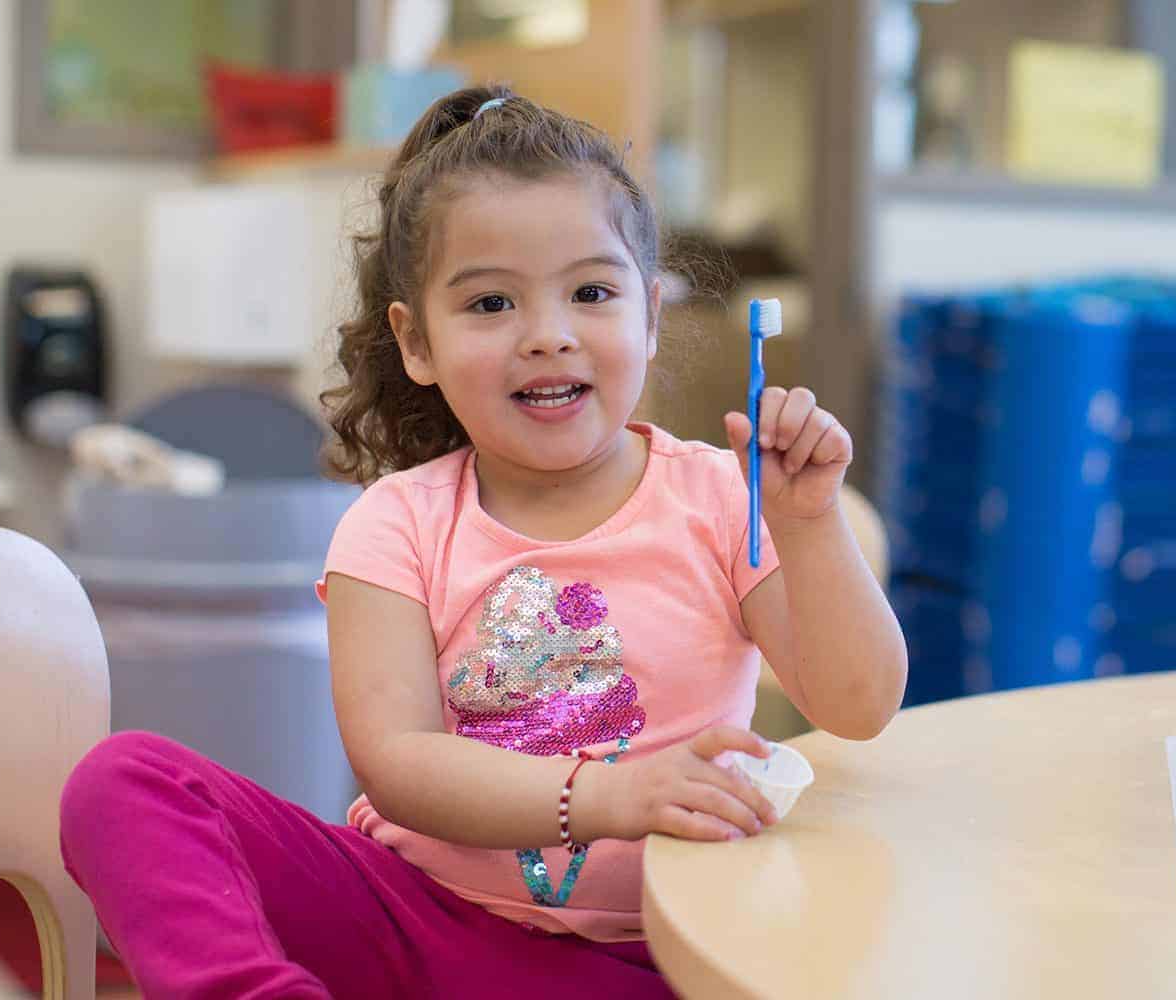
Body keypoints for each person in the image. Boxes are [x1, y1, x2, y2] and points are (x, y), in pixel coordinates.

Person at [59, 86, 907, 999]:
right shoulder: (393, 522)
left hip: (656, 954)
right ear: (415, 342)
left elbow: (856, 704)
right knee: (123, 781)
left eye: (591, 292)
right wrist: (608, 796)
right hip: (416, 923)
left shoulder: (715, 497)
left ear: (650, 316)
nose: (547, 336)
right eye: (492, 303)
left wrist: (809, 525)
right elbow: (399, 763)